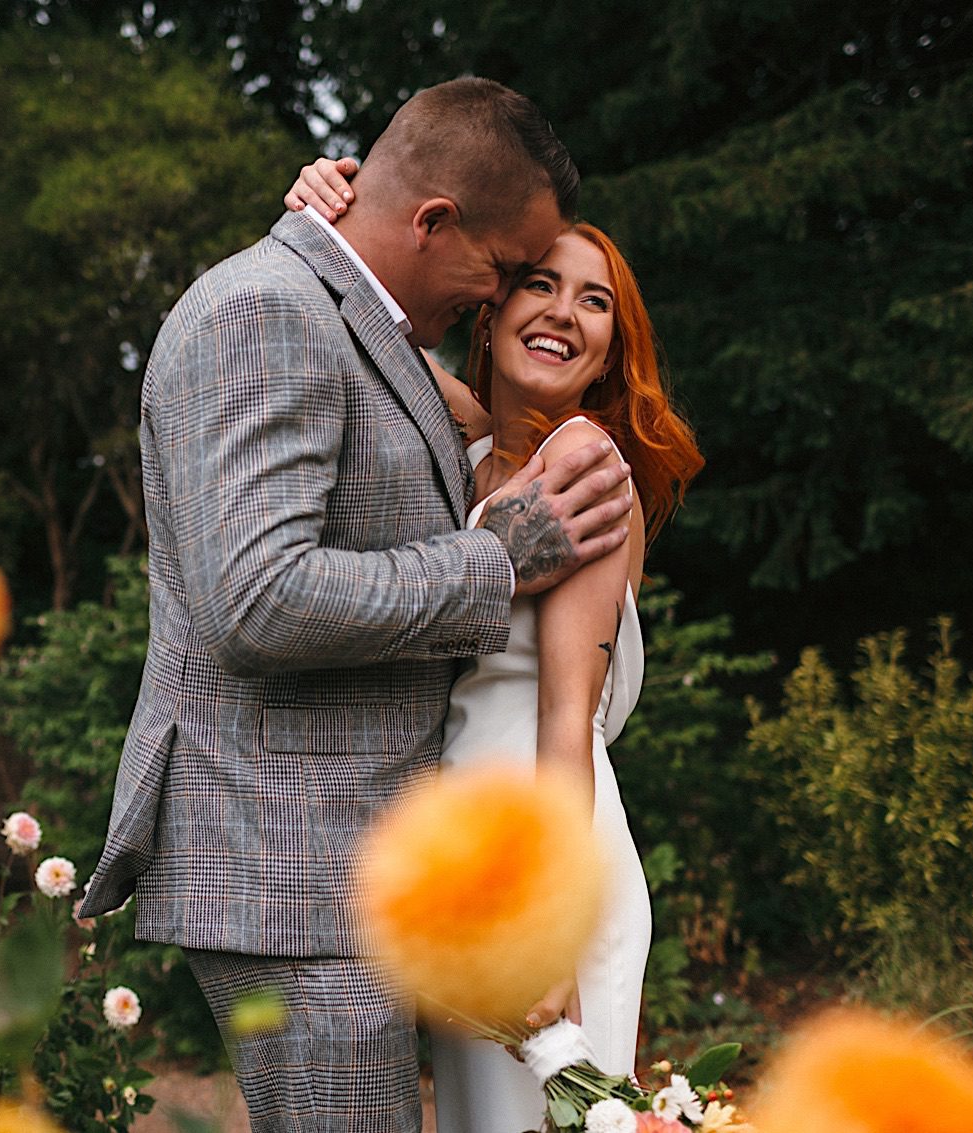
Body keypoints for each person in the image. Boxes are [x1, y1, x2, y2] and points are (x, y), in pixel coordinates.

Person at [77, 79, 635, 1132]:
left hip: (349, 871)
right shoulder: (263, 312)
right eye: (505, 271)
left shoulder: (350, 321)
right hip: (292, 870)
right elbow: (258, 597)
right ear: (432, 222)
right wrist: (492, 562)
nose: (502, 298)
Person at [287, 159, 704, 1129]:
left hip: (543, 857)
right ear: (490, 310)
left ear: (609, 348)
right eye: (538, 284)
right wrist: (320, 212)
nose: (562, 311)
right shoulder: (465, 455)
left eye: (593, 301)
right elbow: (362, 331)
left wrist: (547, 927)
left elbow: (565, 716)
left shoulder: (583, 462)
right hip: (462, 875)